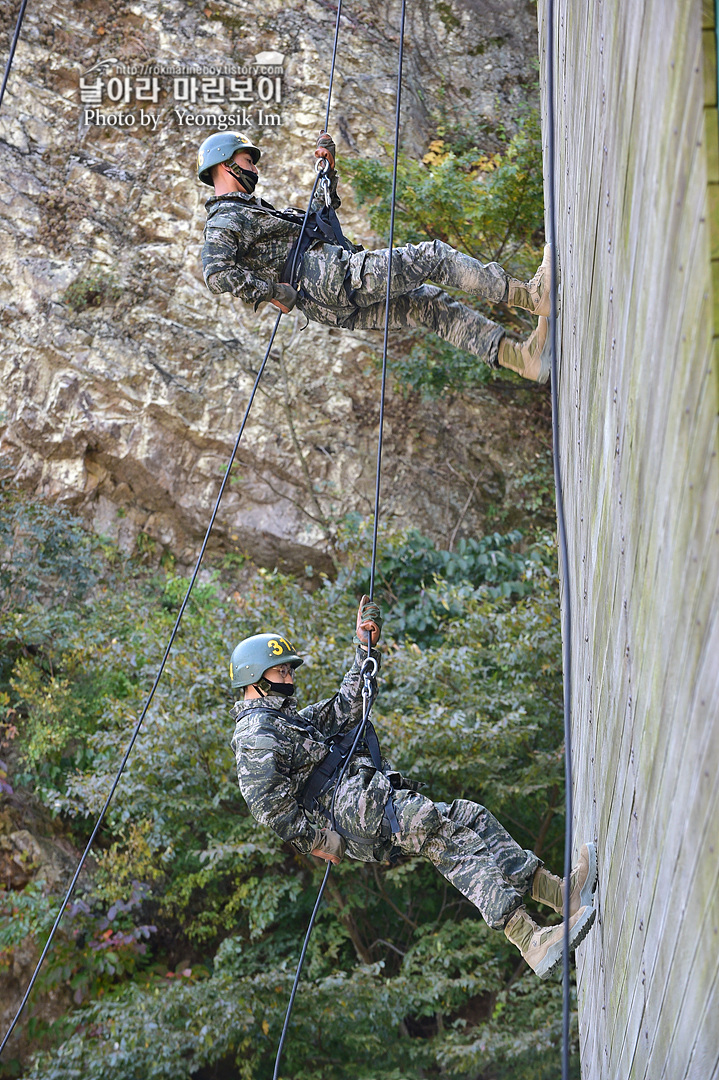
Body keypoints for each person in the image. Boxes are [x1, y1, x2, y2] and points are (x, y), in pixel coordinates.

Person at [229, 598, 596, 979]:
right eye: (282, 671)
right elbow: (267, 805)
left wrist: (365, 647)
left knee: (471, 817)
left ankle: (562, 895)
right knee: (450, 838)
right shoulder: (256, 733)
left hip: (367, 799)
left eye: (289, 671)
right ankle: (530, 939)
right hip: (354, 812)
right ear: (255, 677)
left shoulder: (287, 721)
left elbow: (347, 706)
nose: (290, 678)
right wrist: (317, 840)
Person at [198, 131, 553, 384]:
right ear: (227, 165)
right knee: (432, 256)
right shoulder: (225, 217)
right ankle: (530, 296)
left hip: (326, 303)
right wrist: (273, 291)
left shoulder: (249, 212)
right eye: (248, 161)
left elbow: (315, 220)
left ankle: (522, 359)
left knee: (430, 306)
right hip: (332, 279)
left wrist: (327, 171)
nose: (255, 170)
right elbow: (216, 273)